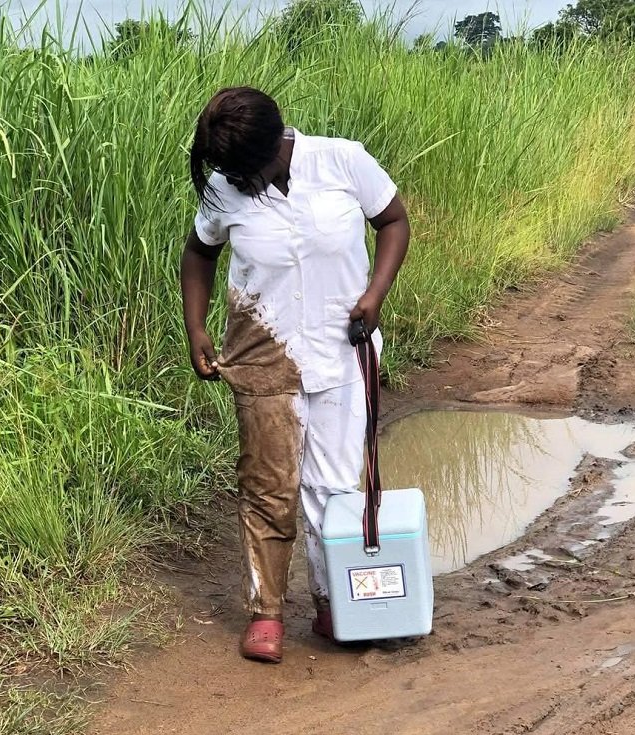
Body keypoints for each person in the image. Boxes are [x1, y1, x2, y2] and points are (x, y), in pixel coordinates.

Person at [181, 87, 410, 663]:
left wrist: (375, 295)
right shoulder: (226, 188)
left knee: (332, 487)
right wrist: (198, 330)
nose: (237, 181)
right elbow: (199, 254)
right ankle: (267, 611)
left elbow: (394, 221)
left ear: (275, 145)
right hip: (261, 353)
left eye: (243, 171)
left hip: (342, 351)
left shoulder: (342, 160)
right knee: (268, 486)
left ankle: (334, 603)